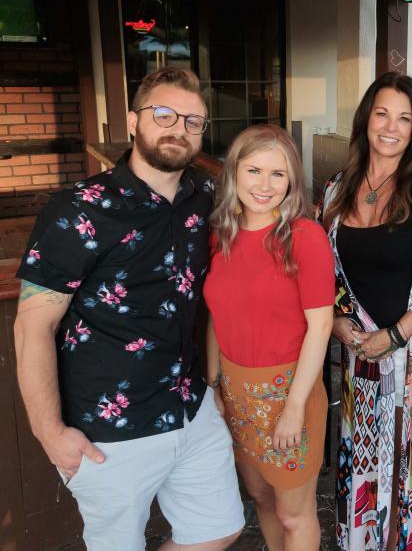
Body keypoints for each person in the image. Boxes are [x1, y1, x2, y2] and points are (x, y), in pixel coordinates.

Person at [13, 67, 244, 550]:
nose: (178, 128)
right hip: (107, 428)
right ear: (135, 121)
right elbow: (34, 324)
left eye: (193, 121)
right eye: (164, 114)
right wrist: (49, 432)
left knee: (219, 530)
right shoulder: (79, 208)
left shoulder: (205, 195)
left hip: (189, 406)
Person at [319, 71, 412, 550]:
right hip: (361, 357)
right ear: (366, 119)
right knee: (363, 473)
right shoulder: (336, 189)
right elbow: (325, 268)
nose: (391, 127)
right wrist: (336, 320)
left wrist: (398, 334)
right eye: (382, 114)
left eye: (404, 118)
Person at [204, 125, 334, 550]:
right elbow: (214, 314)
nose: (264, 185)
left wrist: (295, 408)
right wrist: (214, 386)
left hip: (288, 394)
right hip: (236, 393)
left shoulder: (304, 237)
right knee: (260, 497)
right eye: (254, 170)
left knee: (294, 514)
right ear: (233, 172)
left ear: (292, 180)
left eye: (278, 174)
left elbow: (321, 325)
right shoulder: (220, 233)